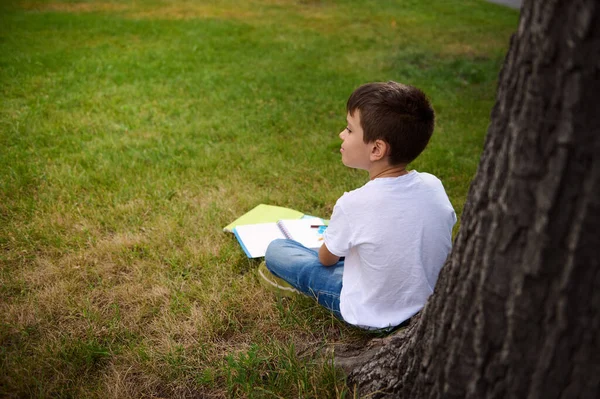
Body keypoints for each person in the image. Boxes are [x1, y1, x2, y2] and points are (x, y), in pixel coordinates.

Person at [260, 81, 456, 330]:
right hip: (424, 300)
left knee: (279, 250)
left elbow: (327, 260)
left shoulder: (353, 204)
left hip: (372, 312)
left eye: (349, 130)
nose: (342, 134)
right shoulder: (433, 185)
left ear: (376, 149)